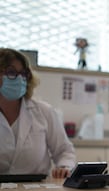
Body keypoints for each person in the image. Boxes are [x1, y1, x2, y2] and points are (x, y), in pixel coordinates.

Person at [0, 48, 76, 178]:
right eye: (11, 72)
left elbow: (65, 151)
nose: (20, 79)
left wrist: (64, 166)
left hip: (37, 190)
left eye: (24, 74)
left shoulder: (44, 111)